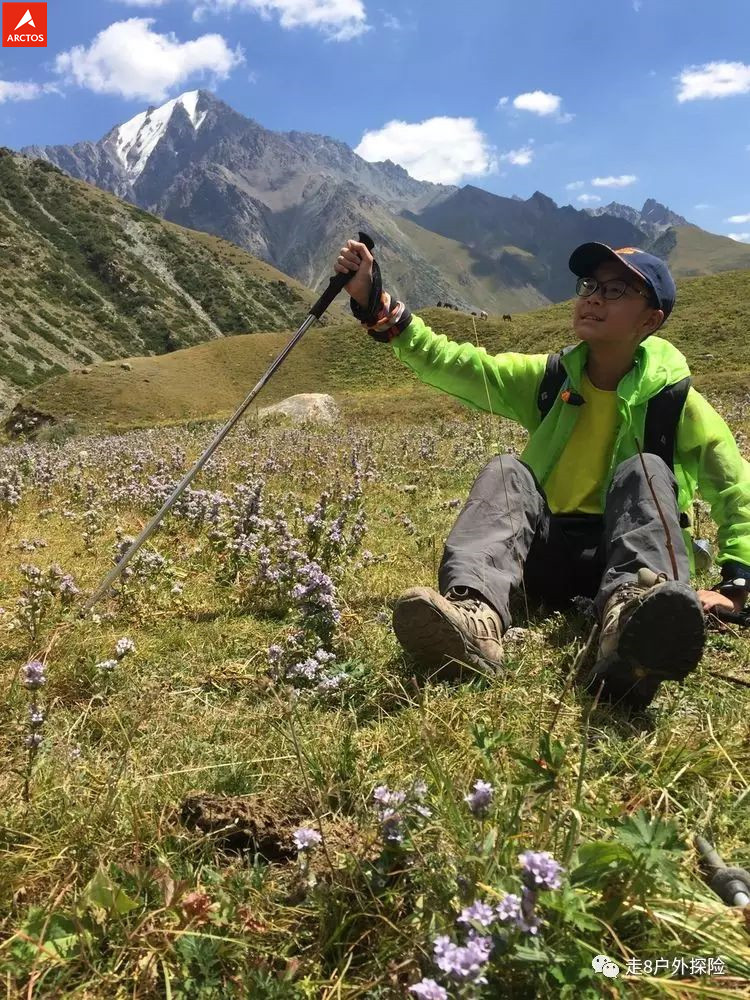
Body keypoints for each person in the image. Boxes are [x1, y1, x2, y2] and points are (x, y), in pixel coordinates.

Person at [334, 238, 750, 709]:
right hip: (546, 557)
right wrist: (376, 304)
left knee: (645, 470)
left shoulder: (677, 403)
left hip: (631, 563)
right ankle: (477, 617)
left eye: (616, 291)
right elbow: (456, 363)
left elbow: (738, 490)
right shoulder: (550, 380)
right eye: (591, 284)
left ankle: (630, 627)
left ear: (650, 320)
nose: (593, 296)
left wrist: (736, 586)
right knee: (508, 470)